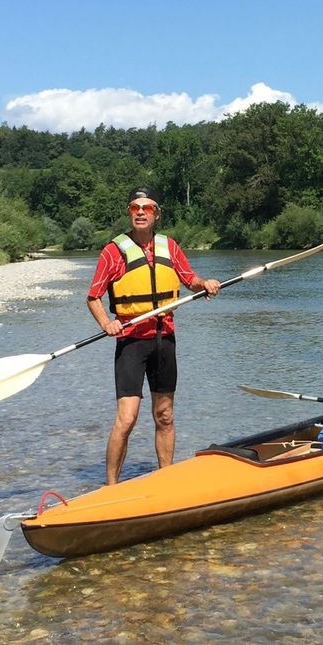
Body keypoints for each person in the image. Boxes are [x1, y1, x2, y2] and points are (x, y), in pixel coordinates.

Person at [87, 186, 221, 485]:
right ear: (129, 213)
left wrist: (206, 284)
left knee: (165, 415)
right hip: (131, 342)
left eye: (146, 208)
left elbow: (190, 280)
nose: (140, 213)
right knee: (127, 418)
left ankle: (165, 481)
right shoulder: (113, 252)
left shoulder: (169, 247)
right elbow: (93, 296)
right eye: (135, 208)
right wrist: (106, 323)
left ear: (156, 214)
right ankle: (110, 487)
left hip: (164, 340)